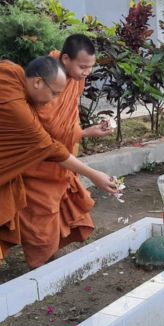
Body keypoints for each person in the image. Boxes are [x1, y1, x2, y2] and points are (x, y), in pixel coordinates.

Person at [0, 57, 117, 265]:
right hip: (36, 169)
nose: (54, 100)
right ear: (37, 82)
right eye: (54, 93)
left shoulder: (10, 72)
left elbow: (60, 135)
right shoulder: (19, 111)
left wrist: (87, 132)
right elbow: (50, 147)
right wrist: (93, 175)